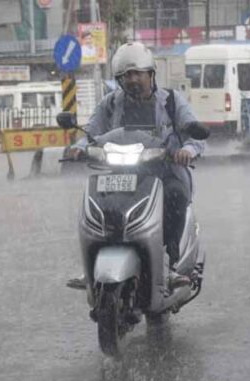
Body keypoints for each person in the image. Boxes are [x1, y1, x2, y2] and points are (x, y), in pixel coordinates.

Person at [67, 42, 205, 289]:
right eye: (126, 75)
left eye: (137, 74)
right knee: (95, 203)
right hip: (120, 172)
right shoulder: (110, 104)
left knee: (175, 196)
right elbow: (91, 133)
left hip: (165, 171)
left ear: (150, 74)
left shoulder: (172, 101)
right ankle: (92, 264)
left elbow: (194, 134)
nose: (132, 80)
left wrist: (187, 151)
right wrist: (79, 148)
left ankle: (171, 262)